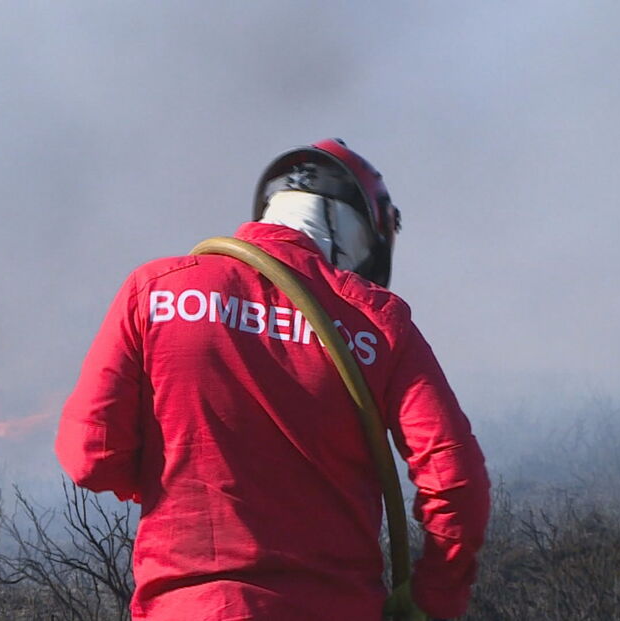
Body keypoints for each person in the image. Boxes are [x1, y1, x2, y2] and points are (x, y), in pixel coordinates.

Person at [56, 139, 491, 620]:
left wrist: (182, 482)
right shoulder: (378, 322)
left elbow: (91, 457)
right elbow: (457, 484)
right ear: (361, 232)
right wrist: (433, 599)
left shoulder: (156, 290)